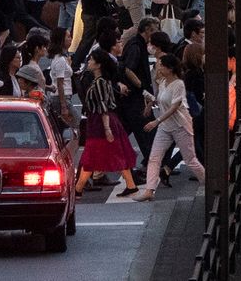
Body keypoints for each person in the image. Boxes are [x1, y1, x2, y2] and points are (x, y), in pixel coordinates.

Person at [133, 53, 203, 201]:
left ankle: (209, 182)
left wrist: (156, 121)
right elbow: (159, 98)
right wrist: (150, 104)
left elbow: (174, 107)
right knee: (154, 157)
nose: (159, 68)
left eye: (162, 66)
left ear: (170, 68)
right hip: (165, 127)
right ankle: (149, 190)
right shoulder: (163, 82)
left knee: (190, 159)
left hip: (181, 125)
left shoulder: (179, 84)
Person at [78, 50, 139, 196]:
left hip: (100, 122)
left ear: (98, 65)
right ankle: (131, 185)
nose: (89, 62)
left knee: (91, 156)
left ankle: (78, 189)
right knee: (116, 153)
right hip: (105, 121)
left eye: (91, 60)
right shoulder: (103, 81)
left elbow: (102, 106)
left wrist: (106, 128)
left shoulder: (99, 82)